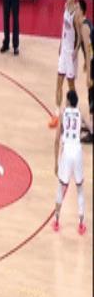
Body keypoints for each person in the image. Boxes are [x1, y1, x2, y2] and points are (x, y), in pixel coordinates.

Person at [52, 90, 86, 235]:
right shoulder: (80, 114)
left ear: (67, 101)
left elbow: (56, 140)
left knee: (61, 187)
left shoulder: (63, 113)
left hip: (67, 152)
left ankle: (56, 221)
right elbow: (89, 128)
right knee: (80, 189)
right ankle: (81, 224)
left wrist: (56, 162)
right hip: (77, 151)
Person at [49, 0, 82, 128]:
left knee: (71, 85)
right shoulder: (65, 7)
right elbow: (63, 28)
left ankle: (74, 112)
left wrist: (76, 51)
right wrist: (60, 43)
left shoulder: (77, 14)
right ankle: (56, 113)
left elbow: (80, 36)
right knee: (59, 81)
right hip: (63, 51)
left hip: (71, 55)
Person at [77, 0, 93, 143]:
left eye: (77, 9)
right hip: (92, 62)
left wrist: (88, 75)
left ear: (81, 11)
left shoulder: (84, 27)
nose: (75, 11)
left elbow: (88, 52)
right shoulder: (87, 23)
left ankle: (92, 133)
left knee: (92, 96)